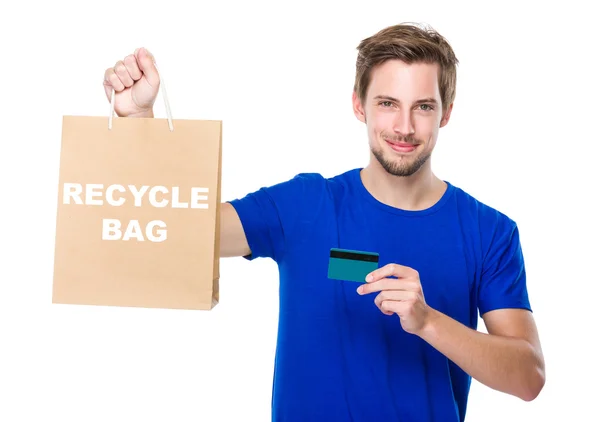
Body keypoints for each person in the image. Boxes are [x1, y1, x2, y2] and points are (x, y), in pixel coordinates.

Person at [103, 22, 545, 422]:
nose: (404, 126)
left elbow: (528, 378)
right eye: (388, 103)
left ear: (446, 113)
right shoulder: (305, 205)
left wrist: (429, 321)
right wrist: (137, 122)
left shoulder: (490, 232)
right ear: (359, 105)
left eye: (423, 107)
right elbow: (177, 232)